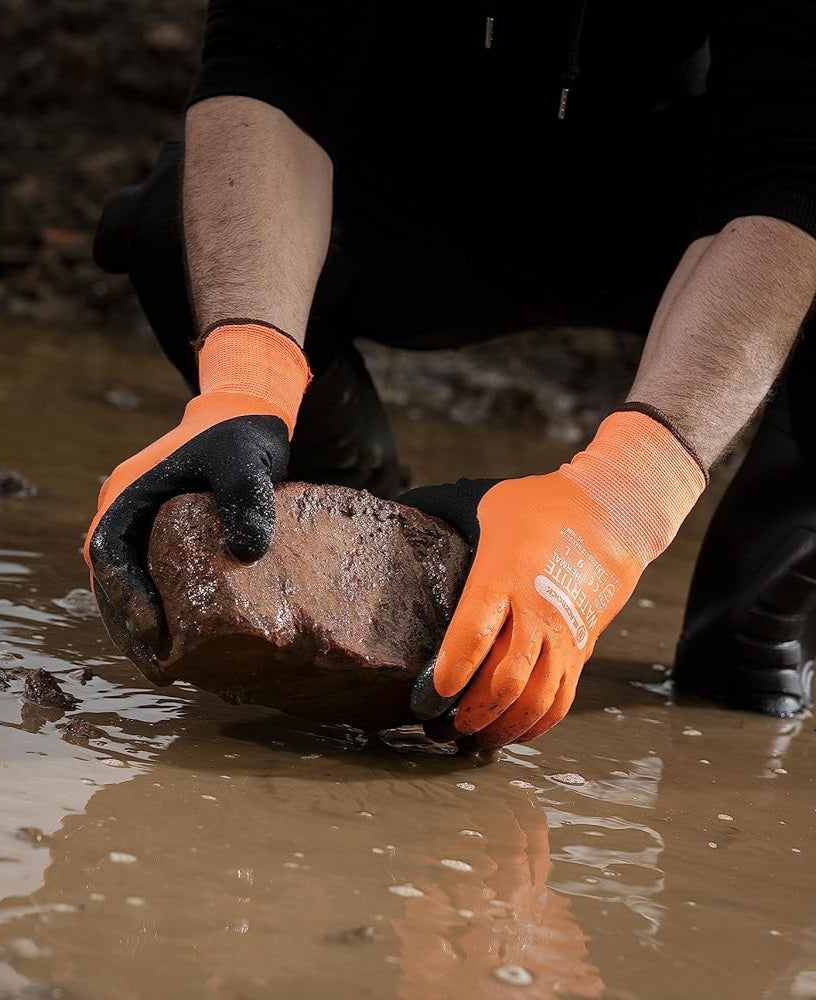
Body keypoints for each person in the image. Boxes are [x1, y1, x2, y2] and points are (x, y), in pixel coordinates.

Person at [84, 1, 816, 748]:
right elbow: (270, 67)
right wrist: (246, 377)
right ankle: (339, 519)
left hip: (684, 210)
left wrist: (616, 510)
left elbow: (789, 176)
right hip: (419, 179)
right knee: (176, 219)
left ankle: (753, 639)